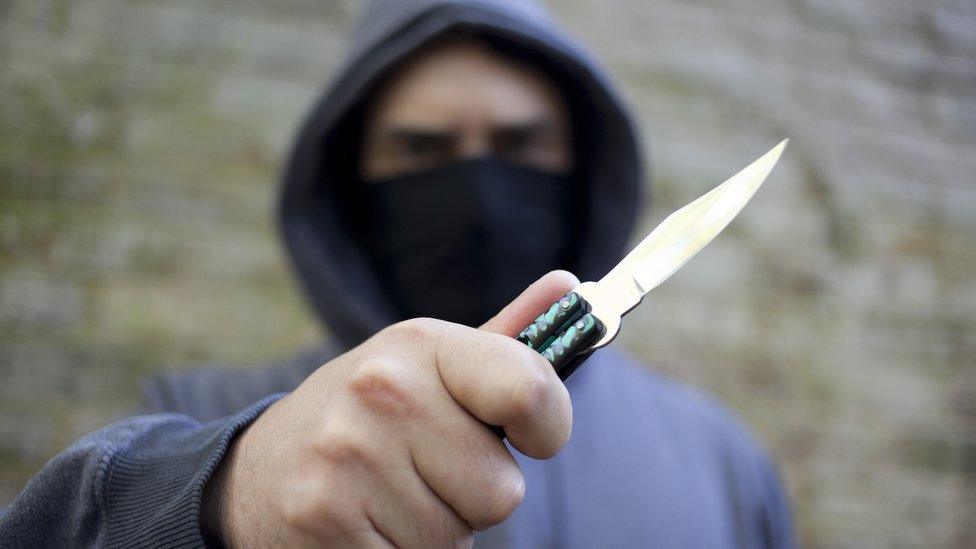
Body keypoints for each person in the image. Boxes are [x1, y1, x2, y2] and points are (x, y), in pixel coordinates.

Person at [0, 0, 795, 547]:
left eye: (520, 146)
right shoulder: (199, 417)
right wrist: (223, 500)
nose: (478, 191)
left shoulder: (727, 467)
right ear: (354, 184)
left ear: (579, 167)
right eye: (423, 150)